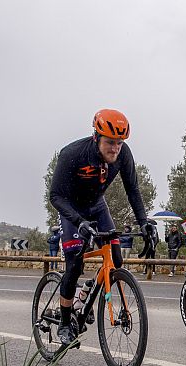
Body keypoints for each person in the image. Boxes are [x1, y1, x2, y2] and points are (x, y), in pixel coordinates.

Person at [49, 108, 155, 345]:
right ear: (96, 137)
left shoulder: (123, 154)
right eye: (110, 143)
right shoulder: (73, 154)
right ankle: (65, 323)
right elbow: (55, 196)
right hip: (72, 211)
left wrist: (144, 222)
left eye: (119, 143)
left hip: (97, 207)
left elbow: (133, 190)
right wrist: (78, 221)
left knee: (116, 260)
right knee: (75, 265)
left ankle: (87, 291)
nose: (115, 149)